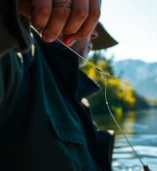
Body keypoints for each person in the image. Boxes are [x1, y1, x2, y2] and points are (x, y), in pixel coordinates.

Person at [0, 0, 118, 170]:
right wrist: (10, 8)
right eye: (89, 25)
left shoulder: (78, 102)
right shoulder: (16, 59)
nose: (94, 35)